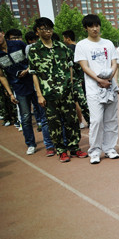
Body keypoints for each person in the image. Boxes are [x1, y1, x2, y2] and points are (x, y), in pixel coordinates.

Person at [29, 17, 88, 162]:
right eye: (44, 29)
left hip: (66, 91)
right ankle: (61, 150)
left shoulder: (62, 47)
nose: (47, 32)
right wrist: (39, 95)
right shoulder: (35, 50)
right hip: (49, 95)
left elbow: (70, 67)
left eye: (50, 28)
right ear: (37, 31)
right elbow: (34, 74)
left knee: (71, 121)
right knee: (54, 124)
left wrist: (72, 85)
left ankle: (74, 148)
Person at [0, 24, 54, 155]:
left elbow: (32, 60)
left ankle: (49, 144)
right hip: (18, 89)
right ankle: (30, 144)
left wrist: (27, 70)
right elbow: (1, 75)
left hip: (33, 83)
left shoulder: (19, 44)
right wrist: (10, 93)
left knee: (43, 114)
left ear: (2, 33)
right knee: (25, 118)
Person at [74, 14, 119, 164]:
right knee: (96, 120)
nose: (95, 28)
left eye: (97, 25)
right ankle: (94, 151)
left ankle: (109, 148)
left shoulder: (108, 43)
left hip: (110, 86)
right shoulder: (82, 45)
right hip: (94, 89)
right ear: (86, 28)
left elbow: (114, 63)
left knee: (111, 119)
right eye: (91, 26)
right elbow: (84, 66)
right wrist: (99, 80)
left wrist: (110, 78)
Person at [62, 29, 90, 128]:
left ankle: (83, 122)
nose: (63, 41)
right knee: (87, 101)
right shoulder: (81, 47)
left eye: (64, 38)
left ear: (68, 38)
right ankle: (90, 121)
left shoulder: (67, 49)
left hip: (76, 79)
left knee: (78, 102)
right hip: (86, 77)